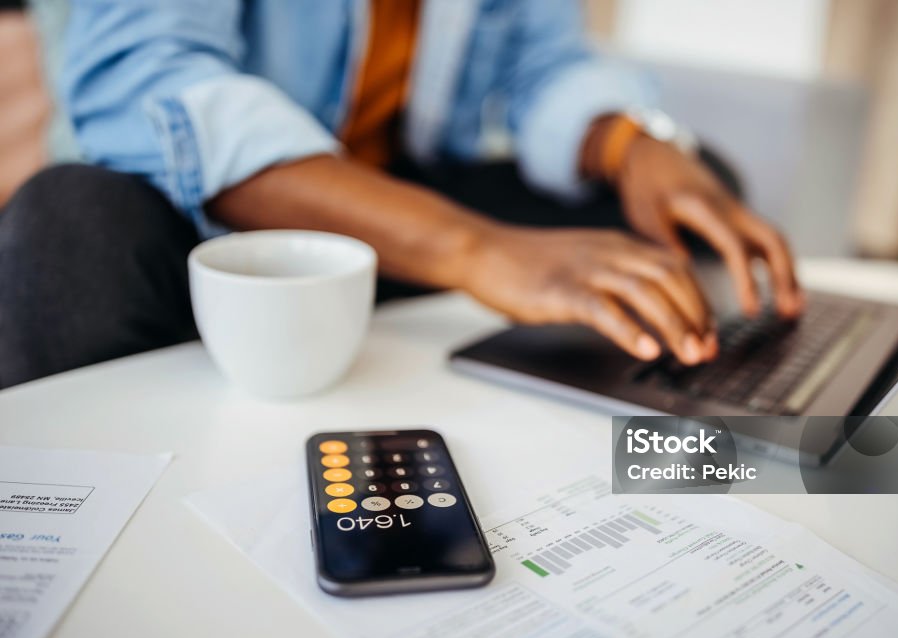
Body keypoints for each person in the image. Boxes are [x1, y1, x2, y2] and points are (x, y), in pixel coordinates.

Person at [0, 0, 802, 389]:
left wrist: (633, 143)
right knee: (66, 228)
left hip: (393, 204)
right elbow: (151, 84)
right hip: (198, 229)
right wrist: (476, 248)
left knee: (688, 194)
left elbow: (543, 61)